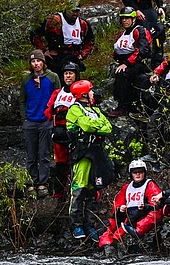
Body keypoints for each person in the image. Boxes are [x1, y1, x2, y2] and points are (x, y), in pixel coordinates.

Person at [65, 80, 114, 241]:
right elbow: (86, 126)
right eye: (91, 91)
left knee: (94, 191)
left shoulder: (96, 110)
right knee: (79, 190)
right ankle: (76, 225)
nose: (94, 93)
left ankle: (90, 224)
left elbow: (108, 127)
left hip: (96, 154)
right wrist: (97, 125)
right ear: (84, 94)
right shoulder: (74, 109)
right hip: (81, 155)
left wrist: (97, 125)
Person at [98, 159, 162, 260]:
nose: (137, 175)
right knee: (110, 224)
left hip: (142, 217)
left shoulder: (150, 185)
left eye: (140, 172)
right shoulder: (126, 188)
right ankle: (106, 247)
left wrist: (145, 207)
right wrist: (120, 209)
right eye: (134, 172)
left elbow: (156, 206)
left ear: (144, 173)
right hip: (128, 216)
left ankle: (120, 242)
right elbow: (117, 204)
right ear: (131, 174)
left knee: (122, 230)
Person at [20, 50, 58, 196]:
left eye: (38, 61)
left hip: (46, 121)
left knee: (44, 153)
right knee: (31, 154)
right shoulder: (26, 79)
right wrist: (24, 117)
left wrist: (52, 116)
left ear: (43, 62)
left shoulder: (53, 77)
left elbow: (57, 97)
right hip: (30, 121)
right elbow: (22, 100)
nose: (36, 64)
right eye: (33, 61)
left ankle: (43, 183)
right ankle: (32, 181)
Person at [46, 61, 82, 200]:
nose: (68, 76)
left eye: (71, 73)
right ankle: (59, 192)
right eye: (66, 73)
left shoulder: (80, 91)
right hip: (59, 131)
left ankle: (76, 191)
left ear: (76, 75)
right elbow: (48, 111)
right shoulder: (57, 93)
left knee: (76, 162)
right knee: (61, 164)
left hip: (75, 131)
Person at [110, 7, 154, 117]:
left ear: (133, 19)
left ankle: (123, 107)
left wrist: (127, 63)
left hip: (139, 63)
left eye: (127, 18)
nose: (124, 21)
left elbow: (143, 50)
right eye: (123, 18)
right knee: (120, 74)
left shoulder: (139, 31)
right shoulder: (122, 34)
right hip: (126, 62)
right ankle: (122, 104)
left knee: (123, 74)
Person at [33, 2, 94, 73]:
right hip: (55, 58)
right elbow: (35, 34)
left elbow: (90, 40)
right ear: (66, 9)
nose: (75, 14)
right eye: (72, 11)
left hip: (74, 58)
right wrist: (43, 51)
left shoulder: (83, 24)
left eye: (77, 11)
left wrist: (83, 54)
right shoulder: (54, 21)